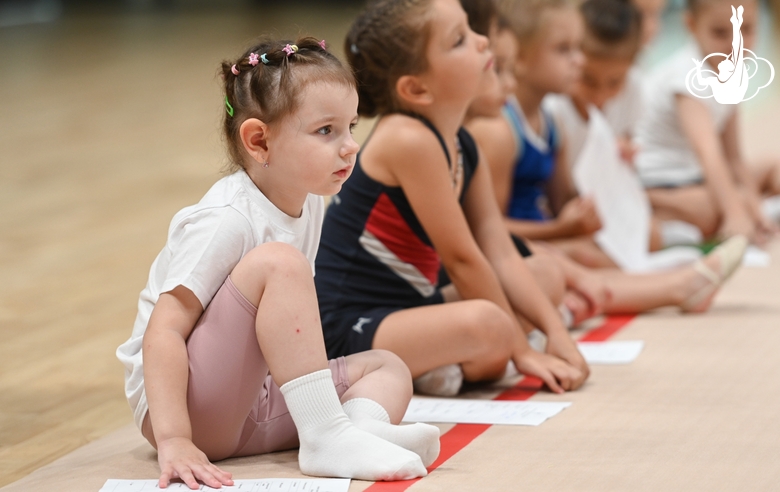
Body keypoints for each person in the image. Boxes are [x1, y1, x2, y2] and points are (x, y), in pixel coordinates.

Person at [116, 37, 440, 489]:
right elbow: (164, 330)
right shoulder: (226, 218)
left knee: (388, 366)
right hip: (191, 413)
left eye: (351, 126)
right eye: (326, 131)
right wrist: (174, 439)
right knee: (279, 263)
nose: (349, 147)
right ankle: (328, 434)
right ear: (259, 141)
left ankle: (351, 432)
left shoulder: (311, 205)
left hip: (253, 408)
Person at [315, 0, 589, 399]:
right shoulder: (407, 138)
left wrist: (557, 335)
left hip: (411, 303)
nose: (482, 42)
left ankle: (433, 360)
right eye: (460, 39)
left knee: (544, 274)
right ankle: (409, 363)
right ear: (416, 88)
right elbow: (462, 259)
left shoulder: (462, 143)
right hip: (348, 323)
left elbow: (499, 252)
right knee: (490, 326)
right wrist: (524, 351)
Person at [466, 0, 749, 324]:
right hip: (519, 248)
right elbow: (487, 230)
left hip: (539, 239)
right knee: (572, 259)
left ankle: (594, 298)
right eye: (564, 50)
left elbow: (562, 202)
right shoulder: (500, 132)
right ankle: (676, 287)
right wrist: (563, 228)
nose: (578, 59)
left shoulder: (548, 122)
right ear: (523, 58)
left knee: (596, 250)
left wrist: (586, 211)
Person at [634, 0, 780, 244]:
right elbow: (709, 153)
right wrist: (735, 214)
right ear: (691, 25)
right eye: (720, 33)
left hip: (695, 176)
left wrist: (754, 209)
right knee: (711, 209)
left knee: (774, 169)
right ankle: (656, 213)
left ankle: (757, 206)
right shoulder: (688, 78)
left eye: (747, 30)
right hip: (660, 183)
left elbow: (733, 157)